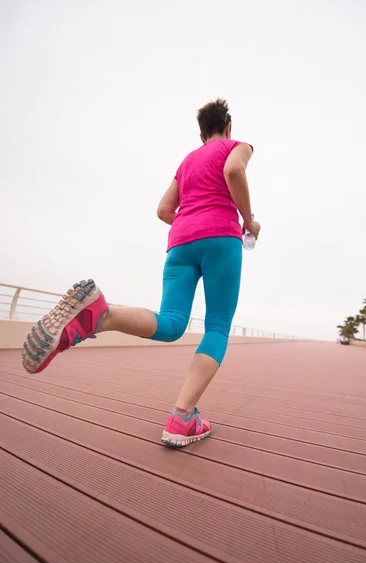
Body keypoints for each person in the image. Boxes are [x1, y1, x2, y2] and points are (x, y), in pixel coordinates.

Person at [22, 98, 261, 447]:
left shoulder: (187, 162)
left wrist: (190, 219)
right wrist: (249, 220)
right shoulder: (236, 146)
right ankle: (182, 419)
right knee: (218, 326)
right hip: (221, 238)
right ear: (228, 128)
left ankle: (103, 314)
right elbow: (234, 172)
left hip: (180, 243)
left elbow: (165, 210)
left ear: (200, 135)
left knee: (172, 322)